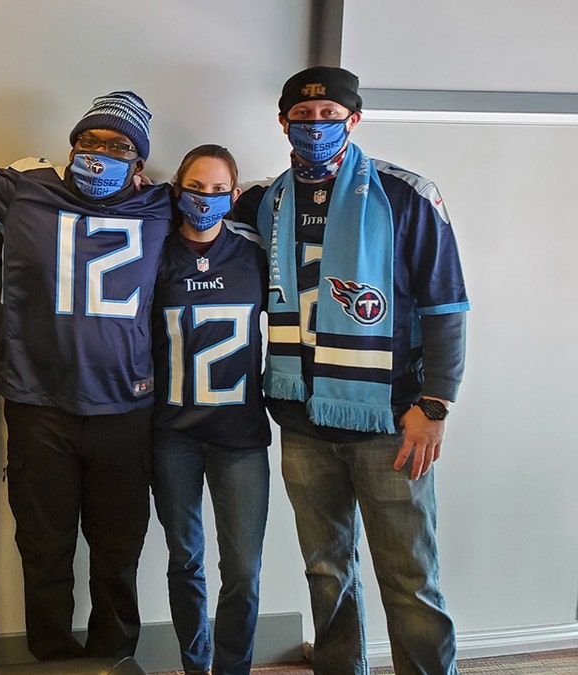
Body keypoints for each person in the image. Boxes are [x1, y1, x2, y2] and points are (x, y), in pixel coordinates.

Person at [232, 66, 470, 675]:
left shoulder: (406, 194)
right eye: (302, 117)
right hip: (300, 420)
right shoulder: (262, 201)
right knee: (325, 571)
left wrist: (435, 405)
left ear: (353, 119)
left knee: (410, 576)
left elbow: (446, 307)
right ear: (283, 121)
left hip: (392, 420)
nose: (315, 126)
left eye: (329, 116)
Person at [0, 91, 172, 660]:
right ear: (71, 146)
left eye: (118, 146)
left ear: (139, 163)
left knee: (118, 556)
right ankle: (52, 662)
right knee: (44, 552)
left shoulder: (164, 204)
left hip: (125, 408)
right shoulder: (25, 188)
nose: (100, 153)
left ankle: (113, 661)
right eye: (89, 141)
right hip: (39, 405)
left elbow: (237, 196)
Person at [150, 144, 270, 675]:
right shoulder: (156, 252)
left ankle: (233, 669)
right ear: (178, 189)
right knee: (186, 561)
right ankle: (194, 666)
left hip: (240, 435)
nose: (207, 198)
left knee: (243, 569)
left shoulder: (253, 253)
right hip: (172, 433)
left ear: (235, 195)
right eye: (197, 187)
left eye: (220, 190)